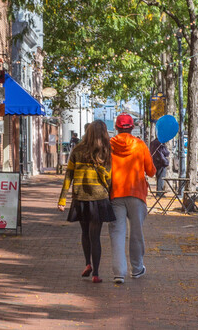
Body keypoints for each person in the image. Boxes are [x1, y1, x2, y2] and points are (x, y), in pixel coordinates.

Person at [58, 121, 115, 283]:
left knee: (85, 233)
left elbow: (68, 175)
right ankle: (96, 274)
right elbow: (108, 178)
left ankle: (87, 264)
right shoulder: (105, 152)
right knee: (95, 236)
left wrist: (62, 199)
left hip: (80, 198)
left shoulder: (77, 150)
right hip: (99, 199)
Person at [109, 113, 156, 284]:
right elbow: (151, 171)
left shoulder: (109, 145)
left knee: (117, 233)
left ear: (116, 127)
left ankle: (118, 272)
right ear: (132, 127)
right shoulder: (140, 145)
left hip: (115, 194)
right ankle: (137, 269)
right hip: (137, 194)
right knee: (136, 233)